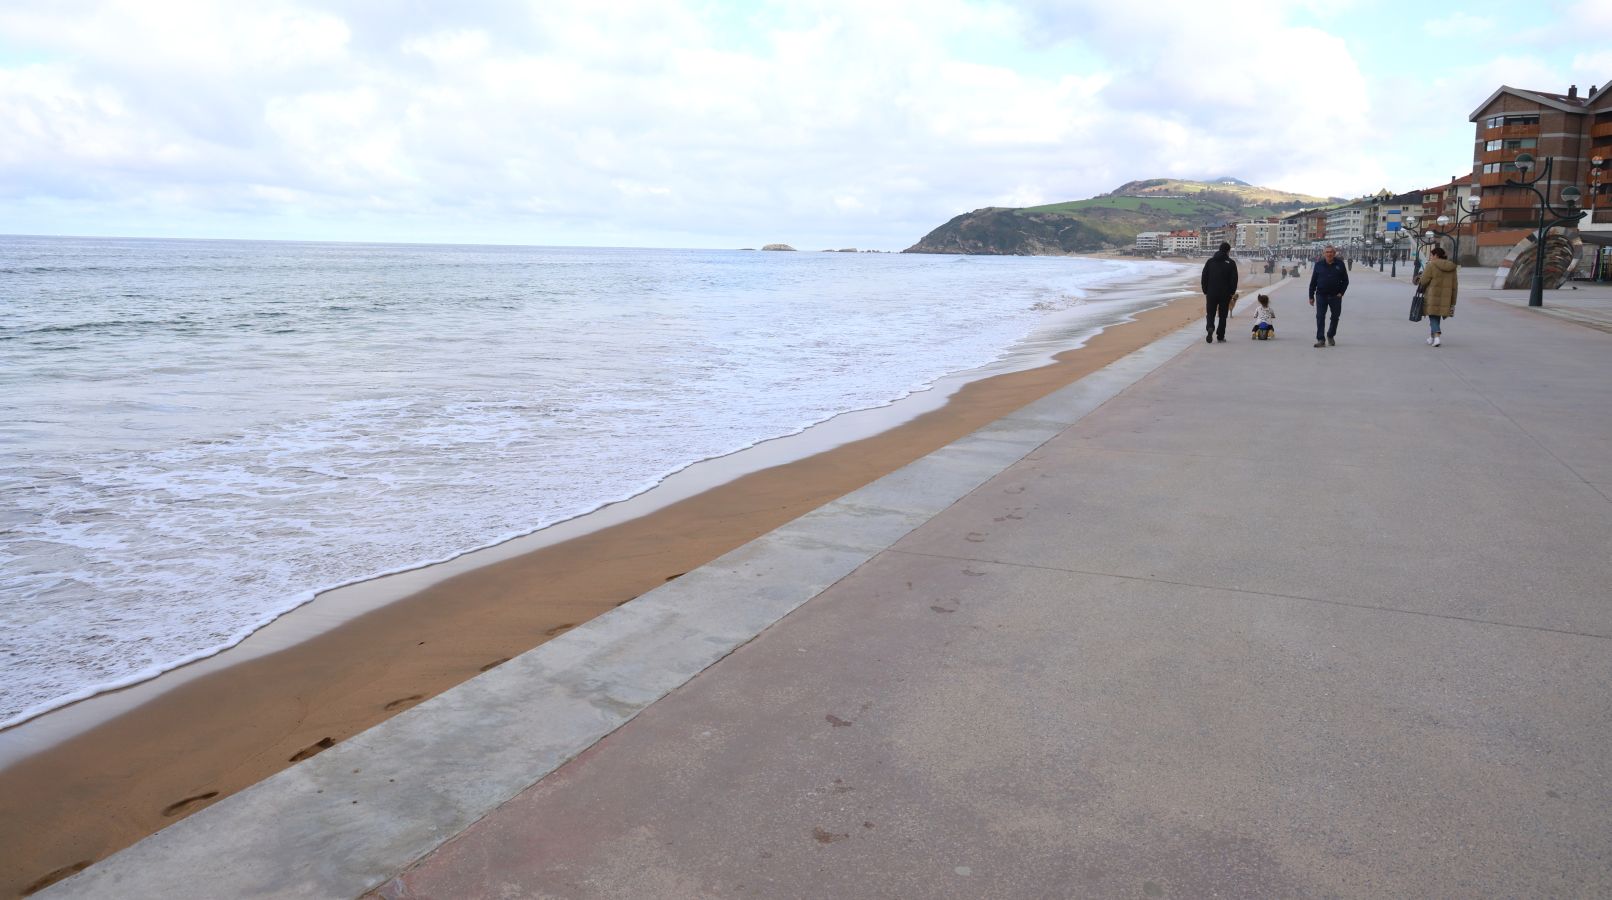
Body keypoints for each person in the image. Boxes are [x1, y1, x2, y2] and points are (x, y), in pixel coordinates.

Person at [1308, 244, 1350, 348]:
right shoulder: (1318, 265)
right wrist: (1311, 296)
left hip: (1335, 296)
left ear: (1334, 253)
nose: (1329, 254)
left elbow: (1345, 280)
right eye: (1327, 252)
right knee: (1320, 317)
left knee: (1335, 317)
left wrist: (1341, 292)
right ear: (1324, 253)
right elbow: (1313, 282)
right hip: (1321, 295)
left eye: (1331, 252)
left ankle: (1330, 335)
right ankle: (1321, 339)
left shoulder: (1340, 264)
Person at [1416, 245, 1458, 347]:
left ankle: (1437, 335)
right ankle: (1432, 337)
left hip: (1433, 295)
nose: (1430, 257)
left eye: (1431, 255)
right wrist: (1453, 301)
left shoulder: (1431, 265)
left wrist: (1419, 276)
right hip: (1446, 297)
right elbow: (1455, 285)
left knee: (1432, 315)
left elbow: (1424, 280)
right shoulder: (1452, 267)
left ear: (1436, 255)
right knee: (1436, 315)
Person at [1200, 241, 1239, 344]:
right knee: (1222, 316)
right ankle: (1220, 336)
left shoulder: (1210, 262)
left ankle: (1210, 327)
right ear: (1228, 251)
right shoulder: (1231, 263)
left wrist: (1205, 290)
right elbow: (1234, 279)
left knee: (1210, 313)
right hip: (1225, 294)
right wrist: (1231, 292)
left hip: (1211, 292)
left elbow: (1204, 276)